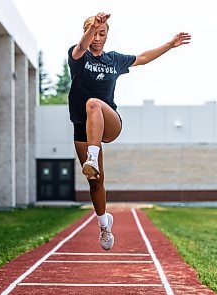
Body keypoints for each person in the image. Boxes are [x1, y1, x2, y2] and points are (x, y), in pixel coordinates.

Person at [67, 12, 191, 251]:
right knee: (95, 181)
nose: (97, 38)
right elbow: (81, 46)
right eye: (94, 33)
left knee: (93, 103)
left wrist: (170, 45)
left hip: (109, 121)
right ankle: (104, 225)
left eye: (102, 34)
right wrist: (92, 27)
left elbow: (143, 58)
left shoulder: (114, 60)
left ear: (107, 36)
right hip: (82, 127)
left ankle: (92, 156)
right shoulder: (78, 56)